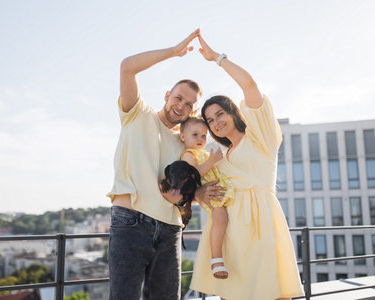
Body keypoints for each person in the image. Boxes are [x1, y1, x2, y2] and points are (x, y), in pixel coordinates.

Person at [107, 29, 225, 300]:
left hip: (170, 229)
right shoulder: (136, 113)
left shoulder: (187, 145)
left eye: (188, 104)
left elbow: (179, 191)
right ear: (166, 95)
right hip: (130, 222)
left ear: (193, 112)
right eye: (178, 98)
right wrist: (174, 51)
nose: (181, 105)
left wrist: (198, 193)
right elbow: (127, 67)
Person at [189, 34, 304, 300]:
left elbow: (249, 85)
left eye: (220, 114)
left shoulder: (260, 135)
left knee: (273, 291)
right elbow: (199, 187)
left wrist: (217, 58)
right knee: (232, 294)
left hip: (262, 222)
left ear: (233, 112)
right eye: (210, 120)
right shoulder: (220, 155)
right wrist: (199, 193)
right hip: (229, 229)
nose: (216, 122)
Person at [179, 117, 235, 279]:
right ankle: (216, 259)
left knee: (225, 219)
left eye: (203, 135)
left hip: (216, 189)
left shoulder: (201, 152)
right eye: (195, 135)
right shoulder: (188, 155)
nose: (200, 139)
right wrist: (211, 161)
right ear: (183, 136)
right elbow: (194, 176)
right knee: (221, 219)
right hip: (208, 192)